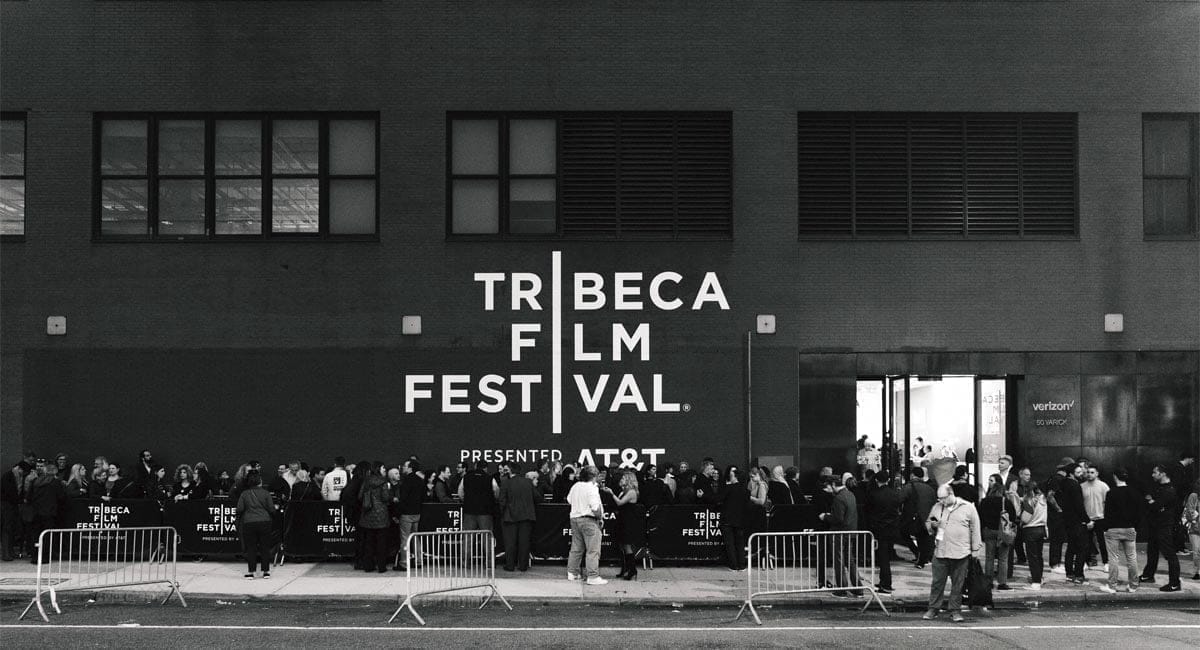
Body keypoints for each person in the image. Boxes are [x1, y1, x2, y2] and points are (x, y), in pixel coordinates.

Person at [923, 483, 983, 623]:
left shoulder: (968, 507)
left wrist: (975, 550)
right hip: (941, 551)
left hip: (961, 552)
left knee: (958, 584)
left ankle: (955, 610)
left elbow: (975, 529)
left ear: (951, 494)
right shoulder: (937, 507)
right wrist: (931, 526)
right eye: (939, 499)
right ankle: (933, 608)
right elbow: (928, 523)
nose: (941, 501)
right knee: (937, 582)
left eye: (943, 498)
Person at [1138, 464, 1181, 591]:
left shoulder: (1169, 490)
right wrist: (1153, 503)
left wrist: (1153, 503)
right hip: (1155, 525)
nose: (1152, 475)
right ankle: (1148, 575)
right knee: (1152, 551)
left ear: (1162, 474)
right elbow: (1152, 503)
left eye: (1155, 472)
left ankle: (1175, 583)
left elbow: (1155, 505)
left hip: (1164, 526)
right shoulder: (1159, 488)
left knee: (1169, 554)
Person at [1099, 467, 1142, 593]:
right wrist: (1135, 527)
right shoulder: (1134, 492)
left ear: (1115, 477)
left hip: (1113, 529)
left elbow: (1107, 513)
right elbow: (1139, 513)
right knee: (1132, 558)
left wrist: (1105, 528)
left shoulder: (1111, 493)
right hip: (1129, 528)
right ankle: (1133, 585)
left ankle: (1112, 586)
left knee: (1113, 558)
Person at [818, 474, 861, 597]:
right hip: (851, 531)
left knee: (839, 560)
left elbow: (838, 518)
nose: (829, 490)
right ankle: (858, 588)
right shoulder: (850, 494)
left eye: (829, 487)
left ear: (833, 485)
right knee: (850, 560)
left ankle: (842, 588)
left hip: (840, 532)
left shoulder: (839, 498)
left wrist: (825, 516)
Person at [566, 465, 606, 585]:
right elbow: (595, 507)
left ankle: (572, 573)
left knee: (576, 547)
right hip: (589, 520)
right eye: (598, 475)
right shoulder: (592, 488)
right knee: (593, 549)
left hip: (575, 518)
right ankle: (593, 576)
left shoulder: (576, 486)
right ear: (594, 476)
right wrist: (600, 517)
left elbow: (569, 500)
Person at [865, 469, 902, 594]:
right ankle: (885, 581)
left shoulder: (873, 494)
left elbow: (869, 511)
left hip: (879, 529)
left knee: (882, 558)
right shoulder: (894, 494)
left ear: (876, 480)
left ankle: (885, 584)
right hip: (891, 528)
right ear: (888, 480)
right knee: (885, 557)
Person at [603, 470, 643, 580]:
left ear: (629, 480)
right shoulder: (624, 490)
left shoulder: (631, 492)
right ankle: (625, 568)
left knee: (627, 545)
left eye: (624, 478)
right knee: (622, 545)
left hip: (628, 520)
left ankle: (632, 569)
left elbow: (620, 503)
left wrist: (611, 493)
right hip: (622, 519)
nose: (621, 480)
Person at [979, 473, 1017, 591]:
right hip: (1003, 531)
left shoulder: (985, 501)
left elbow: (980, 517)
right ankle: (1002, 582)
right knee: (1003, 558)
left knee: (989, 557)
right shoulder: (1005, 502)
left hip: (989, 531)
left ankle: (988, 582)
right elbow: (1013, 516)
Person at [235, 471, 275, 580]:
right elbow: (271, 508)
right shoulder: (266, 493)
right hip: (264, 521)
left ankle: (251, 572)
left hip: (249, 522)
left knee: (251, 548)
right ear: (260, 481)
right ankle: (266, 572)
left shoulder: (245, 494)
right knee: (264, 547)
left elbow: (239, 509)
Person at [499, 462, 537, 572]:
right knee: (524, 542)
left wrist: (503, 513)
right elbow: (537, 497)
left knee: (510, 543)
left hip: (510, 517)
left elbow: (502, 501)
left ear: (510, 471)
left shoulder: (506, 483)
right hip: (526, 516)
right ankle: (523, 566)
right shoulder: (528, 482)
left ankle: (510, 565)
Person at [357, 461, 392, 574]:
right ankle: (381, 566)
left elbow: (360, 496)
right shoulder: (383, 482)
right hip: (381, 515)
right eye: (383, 468)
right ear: (378, 469)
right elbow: (386, 497)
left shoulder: (366, 481)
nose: (384, 470)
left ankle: (368, 566)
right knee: (381, 542)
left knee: (369, 542)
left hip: (368, 515)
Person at [901, 466, 937, 569]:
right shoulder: (929, 488)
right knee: (926, 538)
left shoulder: (909, 487)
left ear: (912, 475)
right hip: (929, 517)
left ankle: (919, 556)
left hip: (915, 518)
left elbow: (899, 499)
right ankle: (926, 558)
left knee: (904, 533)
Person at [393, 459, 424, 571]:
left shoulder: (406, 481)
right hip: (417, 512)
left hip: (406, 513)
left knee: (405, 538)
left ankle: (404, 563)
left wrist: (397, 514)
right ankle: (419, 561)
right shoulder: (420, 481)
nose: (403, 468)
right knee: (415, 537)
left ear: (410, 467)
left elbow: (403, 499)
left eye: (405, 466)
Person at [1080, 464, 1110, 571]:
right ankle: (1086, 562)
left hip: (1100, 518)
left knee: (1102, 542)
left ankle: (1106, 563)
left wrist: (1106, 517)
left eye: (1092, 472)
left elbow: (1108, 503)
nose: (1089, 474)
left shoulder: (1103, 486)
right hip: (1087, 519)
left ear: (1097, 474)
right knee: (1085, 542)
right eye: (1088, 472)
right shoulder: (1082, 486)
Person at [1018, 482, 1047, 590]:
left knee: (1032, 557)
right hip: (1041, 528)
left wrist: (1020, 521)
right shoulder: (1043, 499)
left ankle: (1036, 582)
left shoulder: (1028, 501)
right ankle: (1040, 578)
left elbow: (1025, 518)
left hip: (1031, 529)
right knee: (1039, 556)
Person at [1184, 478, 1200, 581]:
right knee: (1197, 551)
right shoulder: (1194, 496)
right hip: (1195, 528)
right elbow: (1190, 511)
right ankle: (1198, 571)